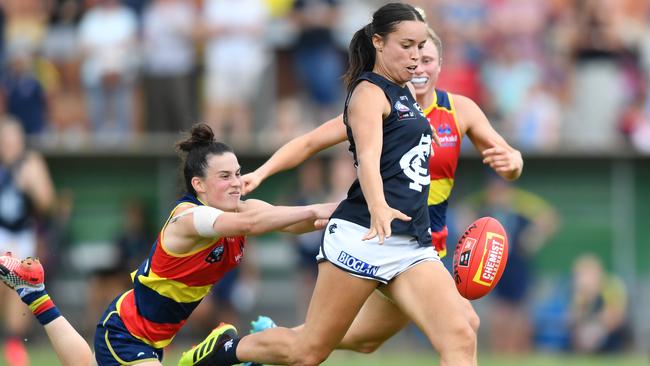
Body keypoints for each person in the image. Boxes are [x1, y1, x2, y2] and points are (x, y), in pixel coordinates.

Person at [179, 4, 480, 366]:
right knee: (307, 352)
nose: (416, 56)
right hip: (365, 234)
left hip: (411, 242)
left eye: (420, 46)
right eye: (407, 45)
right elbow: (367, 158)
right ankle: (224, 351)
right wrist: (379, 205)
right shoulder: (369, 93)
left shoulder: (405, 96)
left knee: (460, 335)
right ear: (379, 43)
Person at [0, 123, 336, 366]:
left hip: (153, 336)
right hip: (126, 332)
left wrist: (346, 211)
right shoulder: (188, 218)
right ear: (198, 185)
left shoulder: (240, 210)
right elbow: (252, 223)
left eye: (237, 173)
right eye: (225, 177)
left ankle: (34, 293)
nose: (236, 183)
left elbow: (293, 221)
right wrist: (321, 208)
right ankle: (210, 357)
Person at [0, 117, 55, 366]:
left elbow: (48, 203)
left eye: (14, 139)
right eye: (5, 139)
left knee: (18, 285)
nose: (10, 144)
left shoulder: (31, 163)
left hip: (22, 234)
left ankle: (14, 343)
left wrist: (32, 185)